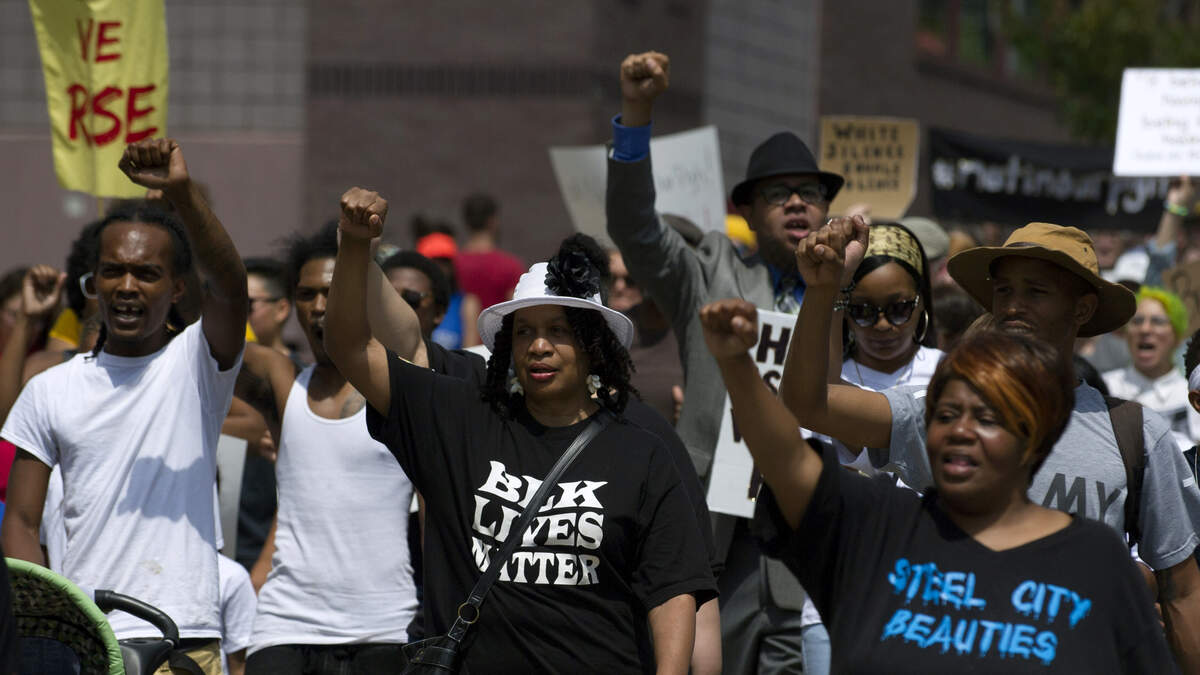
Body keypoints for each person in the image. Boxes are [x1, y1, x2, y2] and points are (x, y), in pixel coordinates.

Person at [781, 217, 1200, 671]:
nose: (1013, 306)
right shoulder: (944, 414)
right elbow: (812, 403)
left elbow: (1182, 589)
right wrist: (825, 289)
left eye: (1035, 292)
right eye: (1003, 291)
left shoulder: (1135, 432)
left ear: (1082, 309)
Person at [325, 191, 716, 674]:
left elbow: (672, 590)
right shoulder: (457, 417)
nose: (539, 346)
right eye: (525, 331)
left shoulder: (643, 452)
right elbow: (350, 347)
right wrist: (354, 246)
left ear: (594, 345)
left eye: (559, 330)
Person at [700, 296, 1176, 671]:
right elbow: (786, 459)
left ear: (1034, 437)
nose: (960, 431)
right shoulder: (877, 526)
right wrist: (737, 364)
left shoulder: (1096, 559)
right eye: (945, 415)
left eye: (986, 419)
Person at [607, 50, 843, 674]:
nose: (797, 203)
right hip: (715, 530)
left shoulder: (849, 289)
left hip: (811, 533)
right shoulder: (709, 269)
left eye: (810, 192)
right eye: (777, 194)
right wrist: (636, 114)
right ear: (748, 211)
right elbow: (634, 228)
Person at [0, 138, 247, 674]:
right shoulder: (49, 388)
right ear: (94, 283)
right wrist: (50, 627)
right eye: (113, 271)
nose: (127, 286)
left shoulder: (198, 362)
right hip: (85, 643)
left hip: (183, 637)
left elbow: (230, 284)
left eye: (147, 273)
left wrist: (182, 193)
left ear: (177, 288)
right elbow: (20, 522)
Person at [240, 223, 418, 674]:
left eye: (332, 291)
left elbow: (410, 337)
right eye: (306, 294)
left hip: (385, 628)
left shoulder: (405, 385)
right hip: (283, 627)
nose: (320, 306)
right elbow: (213, 338)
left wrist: (359, 246)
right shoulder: (282, 381)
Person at [1103, 286, 1199, 450]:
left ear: (1177, 336)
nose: (1145, 329)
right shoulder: (1104, 388)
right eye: (1137, 321)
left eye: (1157, 321)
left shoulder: (1191, 393)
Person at [454, 192, 524, 310]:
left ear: (467, 222)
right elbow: (517, 307)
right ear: (492, 221)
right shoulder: (510, 266)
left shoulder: (454, 264)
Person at [416, 232, 481, 349]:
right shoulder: (413, 301)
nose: (439, 267)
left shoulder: (467, 303)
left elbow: (470, 351)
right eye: (433, 261)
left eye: (444, 261)